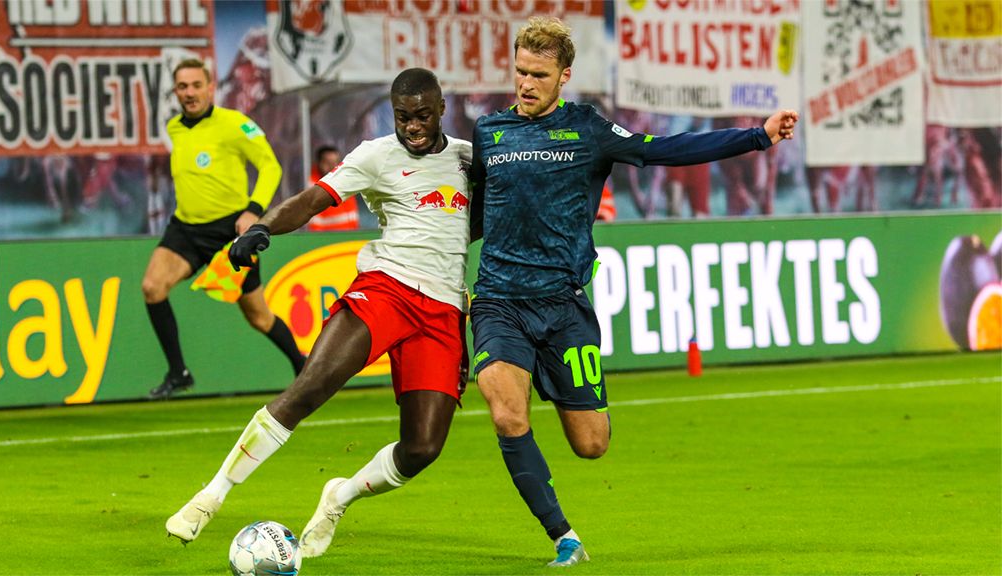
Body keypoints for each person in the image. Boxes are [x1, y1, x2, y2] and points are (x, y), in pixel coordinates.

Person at [467, 16, 798, 567]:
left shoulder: (590, 130)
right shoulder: (489, 132)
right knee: (507, 415)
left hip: (563, 306)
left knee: (591, 444)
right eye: (520, 71)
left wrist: (756, 136)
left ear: (564, 76)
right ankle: (562, 536)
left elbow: (667, 148)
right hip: (499, 301)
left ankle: (565, 389)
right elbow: (474, 214)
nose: (525, 83)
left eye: (539, 75)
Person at [164, 68, 473, 560]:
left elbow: (470, 226)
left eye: (421, 116)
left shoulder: (466, 158)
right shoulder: (375, 156)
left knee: (422, 449)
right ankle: (211, 496)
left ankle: (340, 496)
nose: (412, 126)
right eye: (402, 117)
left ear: (440, 110)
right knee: (309, 388)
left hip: (442, 311)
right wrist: (262, 227)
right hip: (387, 289)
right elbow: (311, 200)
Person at [142, 58, 305, 399]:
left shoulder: (235, 124)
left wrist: (253, 212)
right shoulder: (174, 127)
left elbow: (269, 166)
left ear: (210, 87)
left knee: (258, 316)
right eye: (183, 87)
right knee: (152, 287)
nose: (190, 93)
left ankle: (303, 367)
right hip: (185, 228)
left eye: (196, 85)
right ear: (176, 91)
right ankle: (178, 372)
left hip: (228, 232)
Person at [305, 145, 361, 231]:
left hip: (349, 238)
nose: (332, 166)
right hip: (326, 240)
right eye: (327, 162)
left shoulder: (344, 182)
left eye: (335, 162)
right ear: (319, 163)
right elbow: (314, 223)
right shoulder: (312, 187)